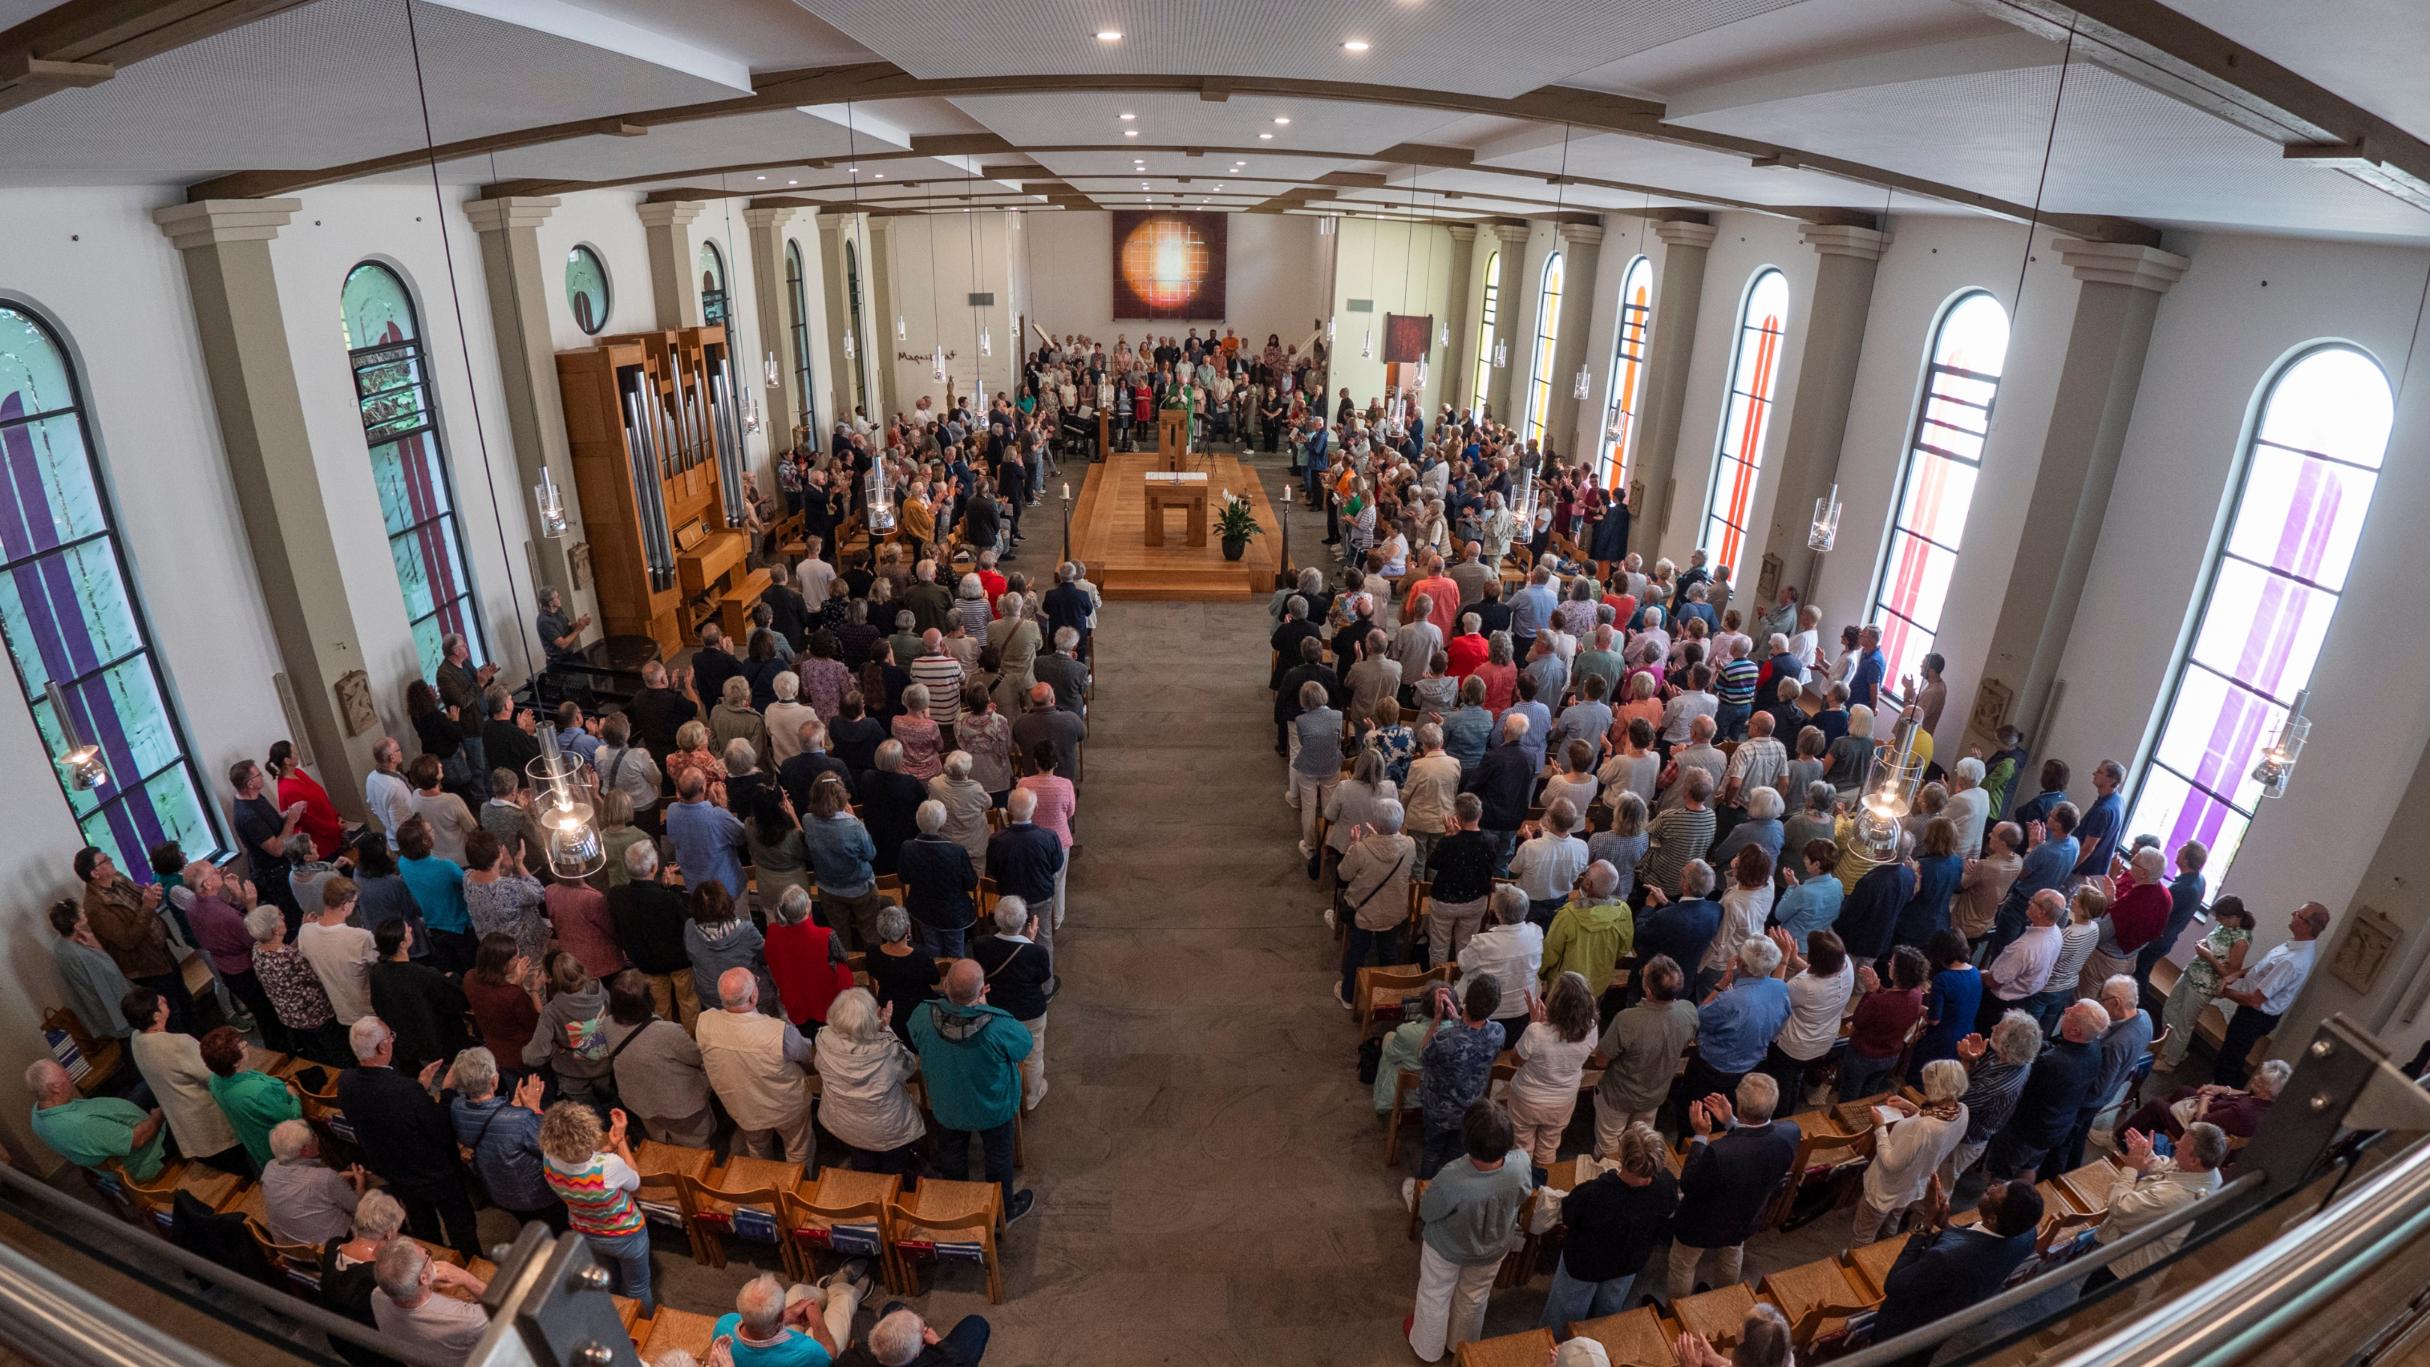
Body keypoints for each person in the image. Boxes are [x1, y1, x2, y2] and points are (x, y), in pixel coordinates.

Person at [339, 1016, 480, 1258]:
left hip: (395, 1172)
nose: (392, 1041)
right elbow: (443, 1131)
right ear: (383, 1047)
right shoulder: (405, 1091)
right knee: (461, 1227)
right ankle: (472, 1263)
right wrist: (446, 1091)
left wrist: (418, 1089)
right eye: (390, 1037)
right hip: (435, 1173)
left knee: (424, 1227)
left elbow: (386, 1113)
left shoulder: (347, 1082)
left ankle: (429, 1260)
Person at [1407, 1100, 1535, 1363]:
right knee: (1474, 1297)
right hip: (1493, 1246)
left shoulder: (1453, 1176)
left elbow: (1428, 1210)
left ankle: (1427, 1349)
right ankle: (1460, 1346)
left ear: (1466, 1138)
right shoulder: (1521, 1164)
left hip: (1447, 1248)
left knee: (1435, 1295)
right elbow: (1522, 1195)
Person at [908, 960, 1036, 1222]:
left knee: (952, 1155)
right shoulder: (998, 1025)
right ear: (982, 991)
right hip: (993, 1107)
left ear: (945, 986)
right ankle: (1003, 1212)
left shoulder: (923, 1015)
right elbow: (1023, 1046)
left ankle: (959, 1209)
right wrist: (983, 1006)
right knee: (998, 1158)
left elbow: (914, 1038)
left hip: (947, 1104)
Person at [1667, 1073, 1800, 1299]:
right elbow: (1756, 1143)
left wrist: (1700, 1136)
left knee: (1683, 1265)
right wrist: (1731, 1123)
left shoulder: (1720, 1153)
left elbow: (1690, 1184)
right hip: (1745, 1216)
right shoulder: (1790, 1134)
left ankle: (1678, 1308)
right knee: (1731, 1255)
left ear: (1739, 1105)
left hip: (1702, 1222)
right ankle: (1725, 1298)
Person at [1872, 1179, 2044, 1349]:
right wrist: (1946, 1225)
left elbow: (1894, 1284)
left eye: (1991, 1194)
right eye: (1998, 1185)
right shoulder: (2026, 1234)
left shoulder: (1946, 1257)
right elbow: (1981, 1247)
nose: (1990, 1187)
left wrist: (1926, 1224)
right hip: (1945, 1323)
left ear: (1992, 1219)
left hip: (1907, 1327)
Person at [1540, 1120, 1677, 1332]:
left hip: (1585, 1265)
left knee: (1565, 1312)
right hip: (1628, 1262)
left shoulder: (1597, 1193)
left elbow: (1568, 1215)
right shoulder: (1666, 1185)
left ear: (1623, 1157)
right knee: (1607, 1308)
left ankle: (1555, 1343)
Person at [2082, 1122, 2230, 1291]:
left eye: (2182, 1145)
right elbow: (2170, 1172)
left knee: (2090, 1297)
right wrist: (2148, 1156)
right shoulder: (2209, 1172)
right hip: (2133, 1247)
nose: (2176, 1144)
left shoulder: (2174, 1197)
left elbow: (2120, 1210)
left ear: (2195, 1160)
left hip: (2128, 1269)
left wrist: (2131, 1168)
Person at [539, 1100, 654, 1312]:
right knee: (637, 1288)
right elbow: (635, 1183)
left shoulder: (549, 1158)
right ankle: (643, 1325)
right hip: (625, 1234)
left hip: (586, 1230)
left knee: (606, 1282)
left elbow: (579, 1164)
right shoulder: (608, 1166)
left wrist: (607, 1147)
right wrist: (620, 1142)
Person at [121, 986, 246, 1172]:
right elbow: (213, 1074)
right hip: (209, 1123)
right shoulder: (178, 1044)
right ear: (156, 1016)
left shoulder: (136, 1038)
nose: (164, 998)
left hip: (185, 1125)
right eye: (160, 1001)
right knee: (240, 1168)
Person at [698, 967, 816, 1162]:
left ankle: (763, 1183)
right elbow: (805, 1054)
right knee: (798, 1148)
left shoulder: (705, 1022)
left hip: (744, 1107)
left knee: (757, 1147)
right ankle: (796, 1186)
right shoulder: (777, 1031)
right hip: (785, 1106)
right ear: (753, 998)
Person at [1986, 999, 2109, 1183]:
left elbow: (2022, 1087)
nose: (2066, 1009)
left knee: (2001, 1172)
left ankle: (1993, 1204)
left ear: (2076, 1031)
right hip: (2056, 1127)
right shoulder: (2094, 1048)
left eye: (2071, 1013)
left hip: (2026, 1130)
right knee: (2029, 1166)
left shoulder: (2052, 1063)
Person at [75, 845, 193, 1031]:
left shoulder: (118, 878)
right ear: (95, 873)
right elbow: (127, 940)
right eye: (105, 860)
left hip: (162, 952)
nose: (111, 860)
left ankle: (202, 1039)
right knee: (171, 1011)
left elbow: (141, 896)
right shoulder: (95, 908)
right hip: (147, 966)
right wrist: (147, 906)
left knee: (184, 997)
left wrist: (152, 894)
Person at [2212, 901, 2329, 1088]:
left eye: (2298, 914)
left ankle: (2217, 1100)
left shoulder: (2293, 961)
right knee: (2229, 1053)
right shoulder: (2294, 944)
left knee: (2230, 1060)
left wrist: (2223, 991)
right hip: (2253, 1011)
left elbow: (2255, 1000)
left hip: (2255, 1016)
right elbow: (2264, 968)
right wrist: (2238, 973)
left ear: (2308, 926)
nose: (2292, 913)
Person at [1854, 1059, 1972, 1243]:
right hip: (1913, 1184)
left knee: (1864, 1232)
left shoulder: (1922, 1127)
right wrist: (1913, 1109)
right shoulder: (1962, 1111)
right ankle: (1887, 1245)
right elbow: (1933, 1131)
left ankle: (1855, 1261)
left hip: (1887, 1187)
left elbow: (1891, 1163)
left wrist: (1879, 1127)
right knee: (1892, 1222)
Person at [815, 987, 927, 1175]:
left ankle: (868, 1194)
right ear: (871, 1018)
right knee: (895, 1169)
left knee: (862, 1160)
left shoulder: (824, 1040)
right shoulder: (886, 1049)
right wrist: (886, 1029)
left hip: (846, 1121)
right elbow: (908, 1067)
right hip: (887, 1126)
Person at [599, 971, 715, 1147]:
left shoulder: (606, 1025)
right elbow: (696, 1057)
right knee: (696, 1147)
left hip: (641, 1103)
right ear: (648, 999)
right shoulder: (668, 1031)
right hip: (682, 1106)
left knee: (662, 1141)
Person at [1591, 956, 1697, 1148]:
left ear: (1648, 990)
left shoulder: (1627, 1020)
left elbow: (1600, 1061)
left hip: (1618, 1097)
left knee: (1609, 1146)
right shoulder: (1688, 1011)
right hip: (1654, 1096)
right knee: (1641, 1144)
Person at [447, 1047, 558, 1229]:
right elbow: (551, 1146)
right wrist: (534, 1109)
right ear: (494, 1080)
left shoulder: (457, 1108)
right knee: (556, 1230)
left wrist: (511, 1107)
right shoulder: (521, 1119)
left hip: (499, 1191)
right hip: (537, 1194)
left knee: (528, 1227)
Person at [1507, 971, 1600, 1174]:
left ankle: (1521, 1188)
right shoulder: (1591, 1029)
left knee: (1521, 1147)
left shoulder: (1536, 1032)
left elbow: (1515, 1060)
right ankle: (1541, 1189)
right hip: (1563, 1100)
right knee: (1549, 1147)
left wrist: (1534, 1023)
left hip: (1527, 1099)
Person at [969, 896, 1053, 1112]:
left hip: (998, 1008)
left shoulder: (982, 945)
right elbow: (1042, 978)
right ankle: (1032, 1095)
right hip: (1030, 1010)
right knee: (1033, 1054)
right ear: (1025, 922)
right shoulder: (1037, 952)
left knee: (1000, 1051)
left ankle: (1005, 1091)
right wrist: (1031, 942)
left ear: (997, 920)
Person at [1685, 937, 1792, 1103]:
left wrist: (1721, 984)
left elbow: (1698, 1018)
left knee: (1696, 1108)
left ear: (1741, 964)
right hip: (1751, 1066)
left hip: (1713, 1068)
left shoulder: (1729, 1000)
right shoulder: (1780, 988)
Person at [24, 1056, 164, 1178]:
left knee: (146, 1086)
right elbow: (137, 1140)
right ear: (55, 1088)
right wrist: (158, 1117)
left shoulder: (38, 1111)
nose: (69, 1074)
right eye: (64, 1074)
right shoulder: (81, 1125)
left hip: (118, 1123)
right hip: (147, 1155)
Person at [2156, 897, 2254, 1072]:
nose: (2217, 920)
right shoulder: (2224, 926)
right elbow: (2213, 944)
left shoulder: (2241, 940)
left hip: (2204, 986)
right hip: (2191, 972)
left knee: (2184, 1023)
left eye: (2221, 917)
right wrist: (2203, 945)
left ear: (2234, 917)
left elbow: (2230, 974)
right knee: (2170, 1009)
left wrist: (2208, 956)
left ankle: (2171, 1061)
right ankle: (2168, 1048)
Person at [610, 843, 699, 1027]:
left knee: (659, 1009)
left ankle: (666, 1040)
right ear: (654, 868)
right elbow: (688, 919)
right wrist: (673, 888)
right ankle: (690, 1041)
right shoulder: (667, 898)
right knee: (689, 1003)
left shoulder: (617, 896)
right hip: (680, 962)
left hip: (647, 964)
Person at [367, 920, 469, 1076]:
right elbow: (457, 1001)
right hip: (438, 1044)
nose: (410, 928)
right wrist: (452, 979)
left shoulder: (377, 972)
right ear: (402, 944)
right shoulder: (423, 975)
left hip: (407, 1045)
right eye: (407, 930)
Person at [713, 1269, 866, 1367]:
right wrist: (817, 1321)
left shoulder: (724, 1324)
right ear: (780, 1315)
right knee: (846, 1298)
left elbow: (757, 1327)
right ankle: (841, 1288)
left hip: (771, 1333)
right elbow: (829, 1355)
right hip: (797, 1349)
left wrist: (786, 1315)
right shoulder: (808, 1352)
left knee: (798, 1290)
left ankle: (831, 1290)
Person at [370, 1238, 491, 1358]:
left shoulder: (377, 1295)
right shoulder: (465, 1319)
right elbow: (503, 1311)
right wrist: (466, 1278)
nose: (426, 1251)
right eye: (427, 1255)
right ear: (424, 1278)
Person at [201, 1026, 301, 1171]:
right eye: (241, 1045)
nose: (246, 1045)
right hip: (283, 1145)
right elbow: (291, 1117)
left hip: (256, 1142)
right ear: (235, 1062)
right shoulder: (257, 1092)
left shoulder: (215, 1081)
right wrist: (293, 1095)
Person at [1840, 946, 1930, 1099]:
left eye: (1892, 963)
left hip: (1864, 1055)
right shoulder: (1916, 993)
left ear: (1899, 972)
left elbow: (1858, 1021)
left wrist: (1870, 991)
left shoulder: (1878, 1001)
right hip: (1890, 1055)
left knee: (1849, 1093)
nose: (1889, 964)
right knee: (1869, 1092)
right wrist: (1878, 988)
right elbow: (1892, 1000)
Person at [260, 1119, 367, 1247]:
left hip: (292, 1249)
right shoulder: (325, 1178)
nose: (316, 1139)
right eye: (313, 1137)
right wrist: (360, 1183)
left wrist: (336, 1181)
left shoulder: (269, 1169)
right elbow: (359, 1208)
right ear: (304, 1150)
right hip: (335, 1247)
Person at [47, 897, 136, 1044]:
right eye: (80, 911)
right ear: (76, 924)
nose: (83, 911)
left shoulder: (60, 946)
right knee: (129, 1042)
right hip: (115, 1010)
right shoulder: (80, 955)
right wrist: (97, 947)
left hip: (101, 1007)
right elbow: (107, 978)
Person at [1457, 886, 1543, 1034]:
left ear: (1498, 913)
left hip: (1486, 1015)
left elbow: (1463, 964)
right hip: (1522, 1011)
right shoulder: (1536, 933)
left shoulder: (1483, 942)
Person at [901, 799, 980, 958]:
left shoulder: (908, 847)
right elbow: (971, 883)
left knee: (932, 947)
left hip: (923, 909)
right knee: (956, 951)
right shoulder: (956, 851)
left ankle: (936, 976)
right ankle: (955, 979)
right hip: (953, 913)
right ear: (943, 823)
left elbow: (904, 877)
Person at [833, 1304, 993, 1367]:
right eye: (924, 1330)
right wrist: (938, 1342)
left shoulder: (849, 1360)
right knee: (976, 1324)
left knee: (892, 1306)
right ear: (917, 1352)